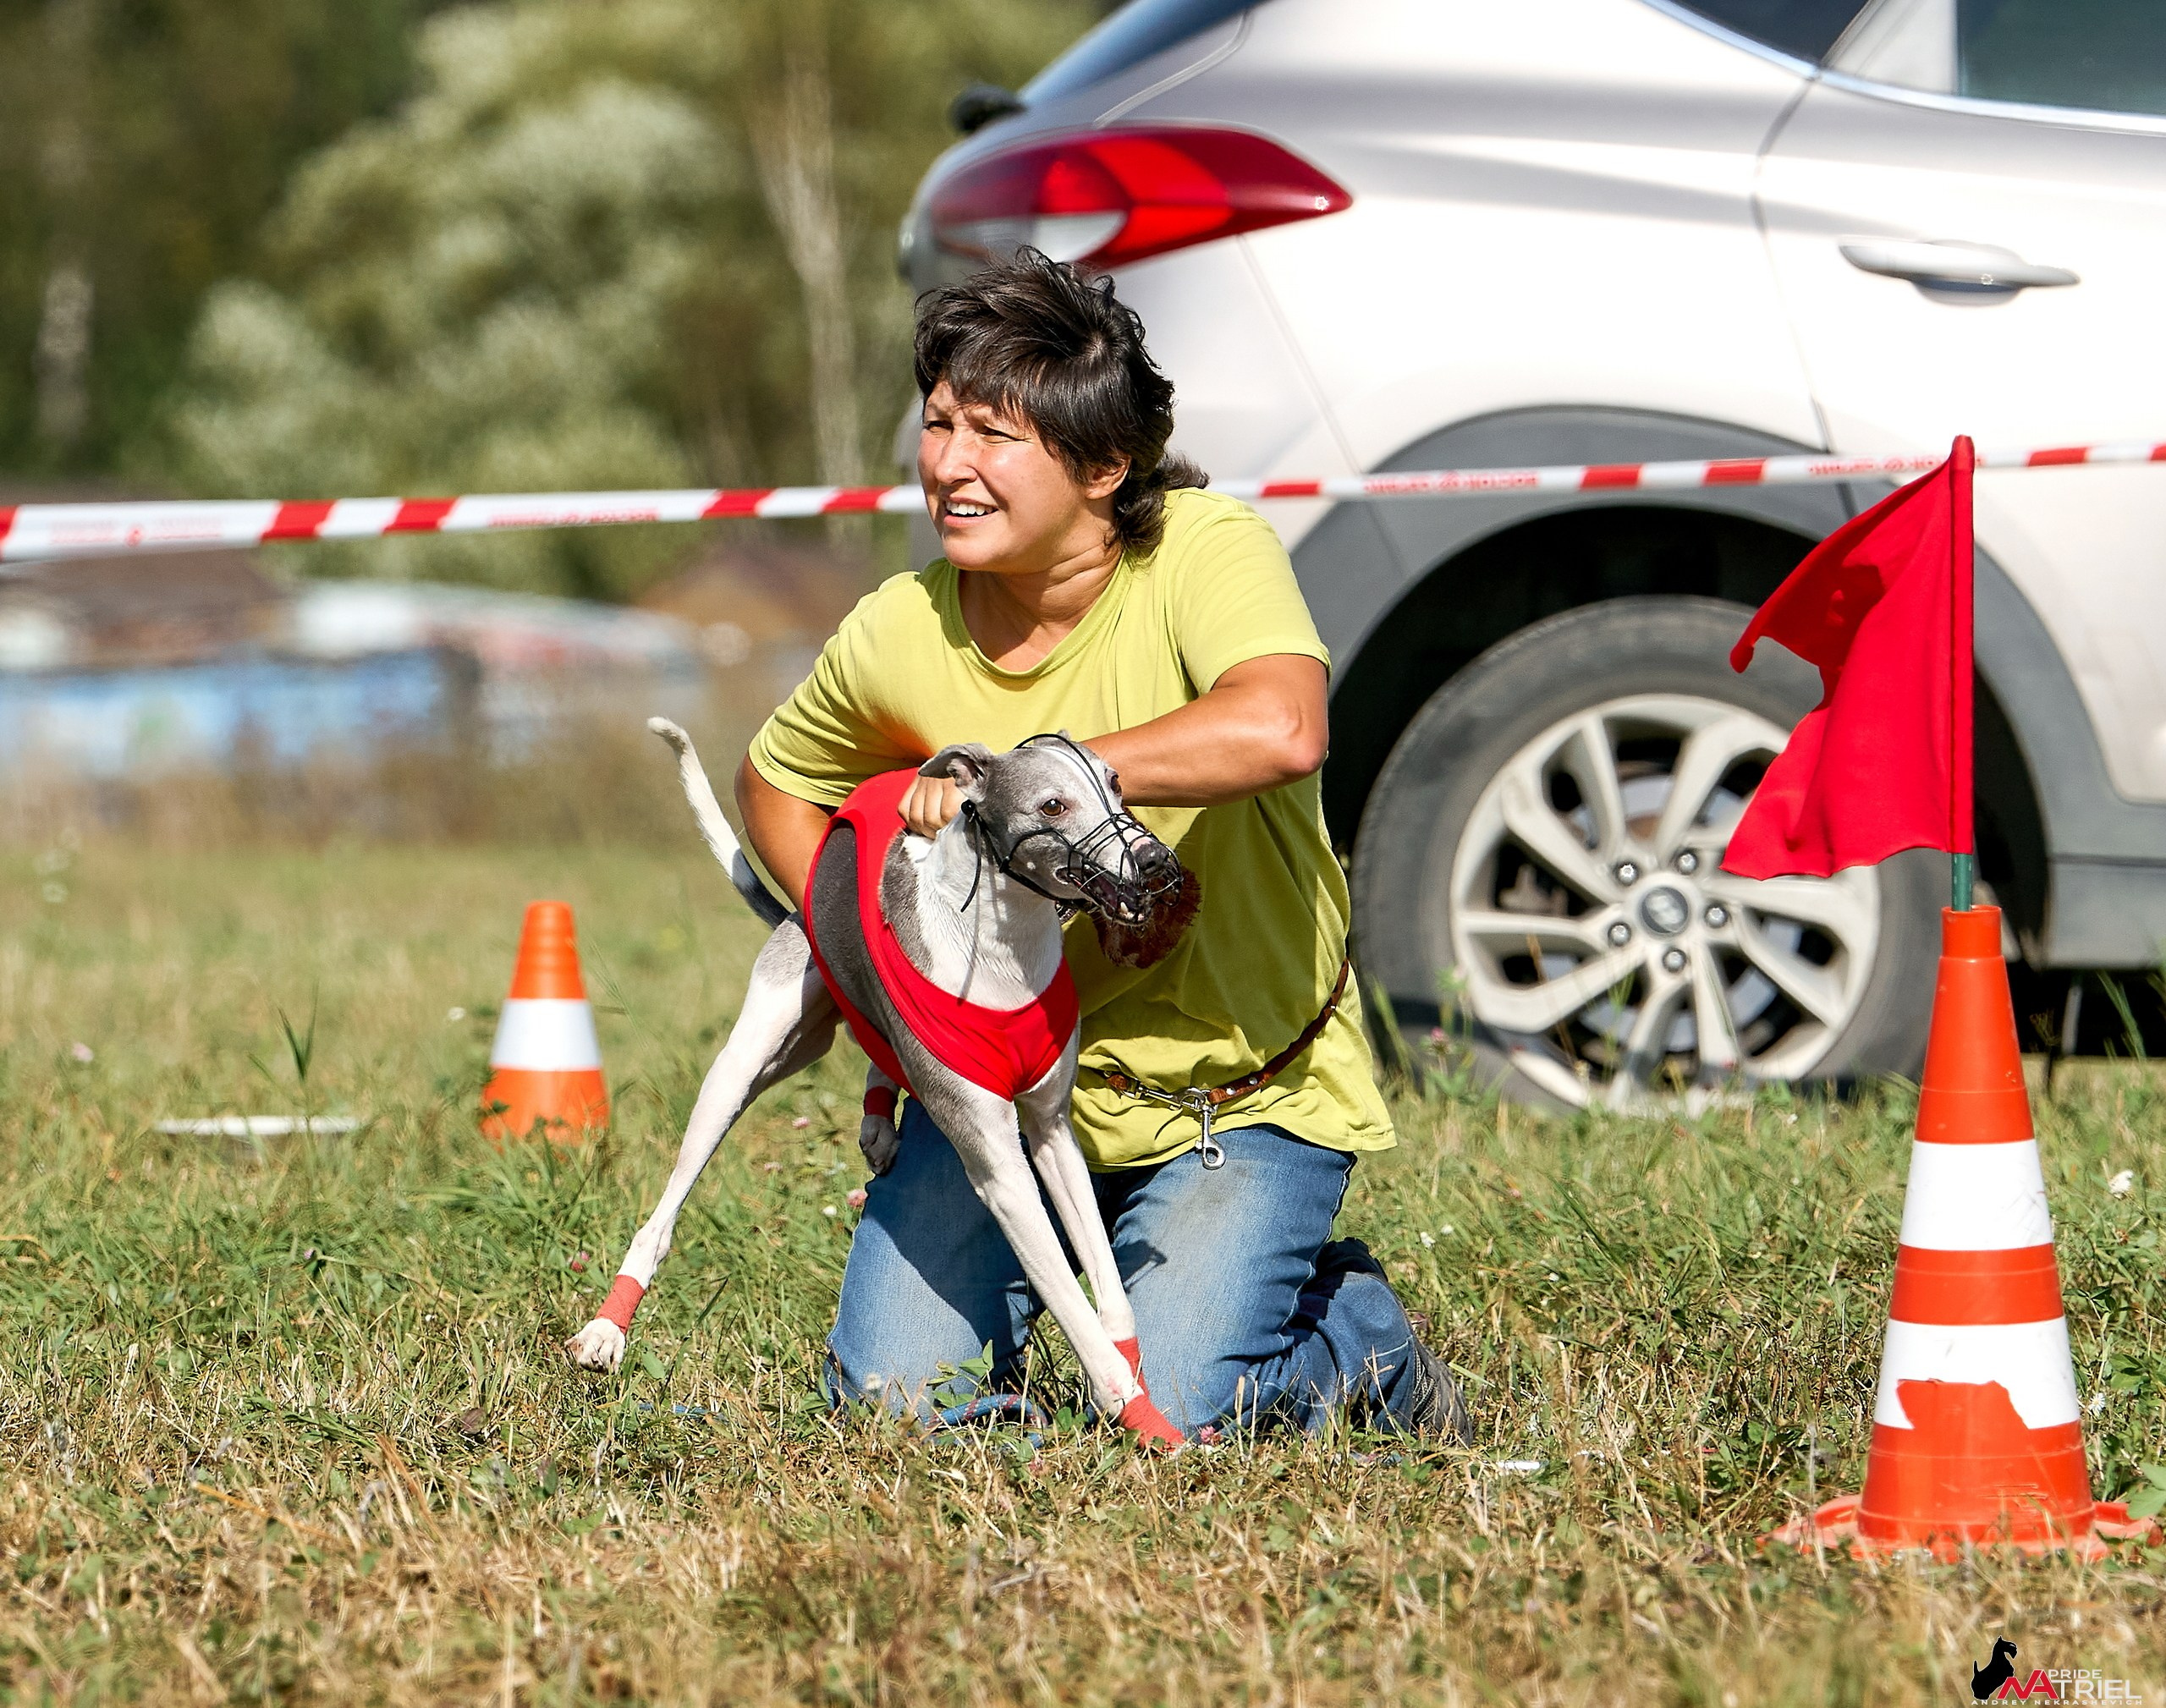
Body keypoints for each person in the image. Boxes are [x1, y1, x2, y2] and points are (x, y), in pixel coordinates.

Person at [736, 250, 1467, 1440]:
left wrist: (1047, 787)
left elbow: (1284, 727)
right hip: (995, 1090)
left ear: (1105, 465)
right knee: (890, 1411)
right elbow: (776, 782)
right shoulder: (897, 628)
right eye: (936, 424)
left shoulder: (1202, 549)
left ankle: (1357, 1338)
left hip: (1233, 1102)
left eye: (993, 435)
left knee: (1180, 1410)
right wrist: (865, 956)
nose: (949, 466)